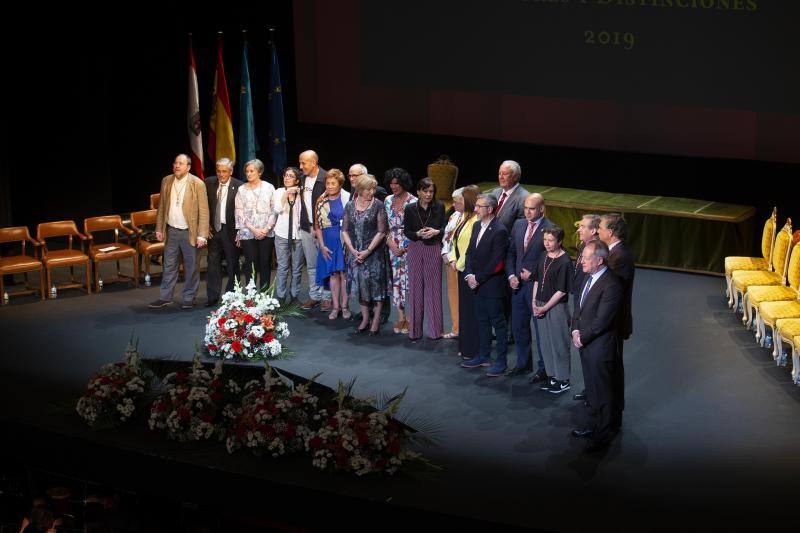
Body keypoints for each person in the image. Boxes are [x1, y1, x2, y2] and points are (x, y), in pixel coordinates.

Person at [570, 240, 623, 453]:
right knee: (591, 391)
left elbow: (602, 321)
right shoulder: (587, 277)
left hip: (599, 348)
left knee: (602, 393)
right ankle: (592, 427)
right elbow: (578, 308)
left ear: (599, 260)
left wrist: (582, 337)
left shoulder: (612, 285)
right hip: (585, 344)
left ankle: (603, 436)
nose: (581, 261)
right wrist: (575, 329)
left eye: (585, 257)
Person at [150, 154, 209, 310]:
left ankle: (189, 298)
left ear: (188, 167)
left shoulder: (197, 184)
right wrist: (159, 228)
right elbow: (162, 206)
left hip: (190, 232)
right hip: (171, 231)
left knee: (191, 267)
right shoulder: (166, 181)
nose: (177, 166)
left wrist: (202, 234)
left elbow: (204, 211)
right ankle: (165, 297)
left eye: (180, 163)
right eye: (175, 163)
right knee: (169, 265)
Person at [460, 194, 509, 374]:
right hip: (476, 283)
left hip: (491, 286)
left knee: (498, 323)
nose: (475, 209)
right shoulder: (476, 225)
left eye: (479, 206)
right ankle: (484, 355)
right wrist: (469, 274)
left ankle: (501, 362)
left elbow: (497, 262)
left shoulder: (499, 230)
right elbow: (470, 253)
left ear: (490, 209)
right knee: (482, 321)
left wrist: (478, 278)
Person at [505, 193, 552, 378]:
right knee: (519, 327)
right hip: (517, 287)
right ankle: (523, 364)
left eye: (531, 209)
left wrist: (534, 275)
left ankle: (544, 369)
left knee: (540, 332)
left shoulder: (550, 229)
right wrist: (510, 275)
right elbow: (511, 253)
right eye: (525, 208)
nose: (527, 212)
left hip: (537, 288)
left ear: (541, 209)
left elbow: (551, 261)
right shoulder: (519, 224)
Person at [599, 213, 635, 431]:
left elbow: (612, 295)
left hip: (612, 324)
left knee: (611, 370)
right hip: (610, 324)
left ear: (610, 232)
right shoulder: (616, 253)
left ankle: (611, 419)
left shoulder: (619, 257)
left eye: (601, 228)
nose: (598, 231)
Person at [342, 174, 388, 335]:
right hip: (355, 254)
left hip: (373, 255)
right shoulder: (349, 206)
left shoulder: (378, 205)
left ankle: (376, 320)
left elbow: (382, 232)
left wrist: (367, 251)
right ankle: (365, 318)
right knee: (360, 286)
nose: (372, 192)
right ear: (360, 190)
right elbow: (345, 230)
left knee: (376, 287)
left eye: (374, 188)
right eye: (369, 189)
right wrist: (353, 250)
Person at [403, 177, 446, 341]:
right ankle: (415, 331)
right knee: (415, 289)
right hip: (415, 248)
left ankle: (435, 331)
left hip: (433, 247)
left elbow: (444, 228)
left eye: (431, 191)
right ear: (418, 192)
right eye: (426, 191)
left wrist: (436, 232)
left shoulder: (439, 207)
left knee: (433, 290)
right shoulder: (410, 209)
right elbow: (406, 231)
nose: (429, 194)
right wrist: (416, 234)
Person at [532, 225, 573, 393]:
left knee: (559, 343)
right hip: (540, 304)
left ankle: (563, 379)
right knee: (546, 343)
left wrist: (545, 307)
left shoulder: (565, 261)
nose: (547, 243)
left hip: (555, 308)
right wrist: (534, 301)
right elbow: (536, 280)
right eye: (545, 240)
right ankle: (552, 376)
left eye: (550, 240)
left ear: (560, 241)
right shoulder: (543, 256)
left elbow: (561, 290)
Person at [204, 158, 242, 307]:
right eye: (218, 171)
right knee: (212, 263)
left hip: (230, 230)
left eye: (224, 171)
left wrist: (240, 232)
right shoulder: (208, 183)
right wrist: (205, 226)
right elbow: (204, 206)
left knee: (233, 263)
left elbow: (242, 212)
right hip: (213, 230)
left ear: (231, 171)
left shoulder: (239, 186)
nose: (221, 174)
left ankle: (231, 298)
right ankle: (212, 297)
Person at [448, 185, 480, 360]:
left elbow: (472, 248)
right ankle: (466, 346)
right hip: (460, 268)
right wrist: (453, 257)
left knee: (471, 312)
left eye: (460, 200)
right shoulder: (464, 218)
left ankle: (473, 348)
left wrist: (461, 264)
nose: (457, 203)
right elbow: (456, 240)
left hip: (469, 271)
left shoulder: (476, 221)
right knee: (464, 310)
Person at [314, 168, 351, 319]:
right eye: (327, 183)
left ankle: (345, 307)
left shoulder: (348, 199)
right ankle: (335, 307)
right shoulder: (321, 201)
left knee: (344, 274)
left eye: (333, 183)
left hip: (344, 240)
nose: (329, 186)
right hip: (328, 241)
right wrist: (322, 245)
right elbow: (317, 226)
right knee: (333, 274)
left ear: (340, 185)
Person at [572, 214, 601, 403]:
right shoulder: (583, 246)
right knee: (584, 354)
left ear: (594, 231)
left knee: (593, 355)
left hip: (591, 310)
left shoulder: (597, 251)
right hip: (580, 302)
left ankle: (595, 393)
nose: (579, 230)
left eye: (583, 227)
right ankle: (589, 389)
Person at [384, 167, 416, 334]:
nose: (393, 186)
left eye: (397, 183)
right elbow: (384, 227)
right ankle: (401, 316)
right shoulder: (388, 200)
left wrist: (404, 247)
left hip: (409, 245)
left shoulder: (413, 201)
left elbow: (417, 228)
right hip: (392, 246)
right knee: (396, 281)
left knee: (409, 282)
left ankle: (411, 317)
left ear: (403, 183)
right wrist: (391, 244)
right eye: (391, 183)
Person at [235, 158, 276, 290]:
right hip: (248, 232)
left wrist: (265, 229)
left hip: (266, 232)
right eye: (247, 171)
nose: (249, 174)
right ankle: (251, 296)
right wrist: (253, 230)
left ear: (260, 172)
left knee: (265, 263)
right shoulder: (241, 189)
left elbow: (274, 210)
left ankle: (264, 294)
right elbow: (239, 212)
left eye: (252, 171)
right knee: (250, 263)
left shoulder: (269, 187)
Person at [298, 150, 331, 311]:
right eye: (300, 163)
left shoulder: (326, 178)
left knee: (325, 264)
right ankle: (314, 296)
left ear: (314, 162)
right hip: (306, 227)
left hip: (323, 229)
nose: (301, 166)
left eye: (303, 163)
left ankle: (326, 297)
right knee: (311, 265)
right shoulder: (302, 179)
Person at [271, 166, 305, 303]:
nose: (286, 178)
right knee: (283, 267)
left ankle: (294, 295)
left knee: (297, 268)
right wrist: (286, 194)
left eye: (290, 176)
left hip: (298, 236)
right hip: (282, 235)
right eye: (285, 175)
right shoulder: (279, 192)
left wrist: (295, 193)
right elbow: (278, 209)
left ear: (297, 180)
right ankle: (280, 296)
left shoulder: (301, 194)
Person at [441, 188, 465, 340]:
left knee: (464, 299)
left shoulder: (471, 218)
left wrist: (454, 259)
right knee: (453, 296)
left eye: (457, 202)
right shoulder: (454, 216)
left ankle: (466, 330)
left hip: (461, 264)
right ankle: (456, 328)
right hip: (449, 262)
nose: (454, 205)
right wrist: (444, 253)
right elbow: (446, 237)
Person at [489, 160, 529, 232]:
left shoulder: (524, 198)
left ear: (515, 176)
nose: (501, 177)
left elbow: (520, 230)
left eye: (504, 174)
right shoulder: (495, 193)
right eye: (499, 173)